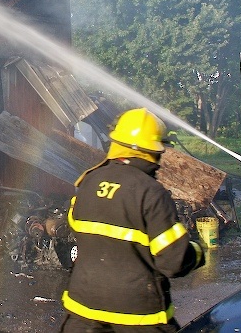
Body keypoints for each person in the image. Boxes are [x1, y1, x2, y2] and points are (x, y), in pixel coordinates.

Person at [60, 108, 205, 333]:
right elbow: (173, 261)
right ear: (152, 151)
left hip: (83, 309)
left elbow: (74, 223)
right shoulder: (151, 192)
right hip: (137, 315)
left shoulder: (88, 181)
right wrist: (197, 253)